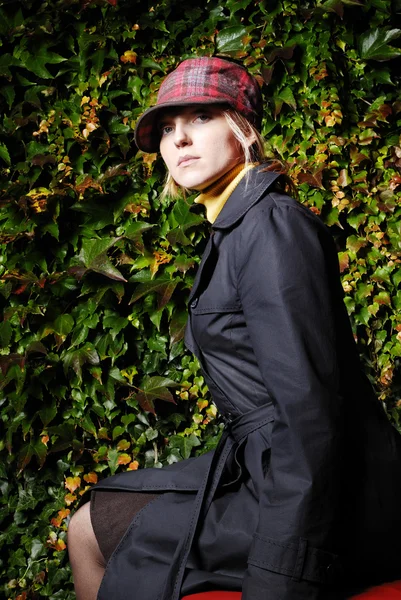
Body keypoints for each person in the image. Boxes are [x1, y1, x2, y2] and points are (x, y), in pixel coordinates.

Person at [68, 57, 401, 600]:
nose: (178, 141)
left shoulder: (271, 226)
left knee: (90, 532)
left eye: (200, 117)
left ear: (242, 128)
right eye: (168, 130)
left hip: (335, 498)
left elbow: (310, 417)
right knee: (90, 517)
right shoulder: (234, 227)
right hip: (263, 468)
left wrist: (283, 572)